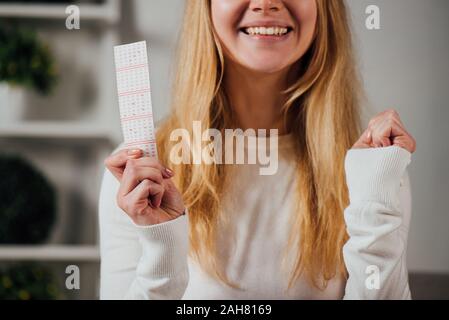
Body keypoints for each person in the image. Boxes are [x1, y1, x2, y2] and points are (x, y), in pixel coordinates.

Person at [99, 0, 417, 299]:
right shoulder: (139, 173)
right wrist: (161, 255)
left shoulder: (372, 170)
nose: (265, 3)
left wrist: (376, 205)